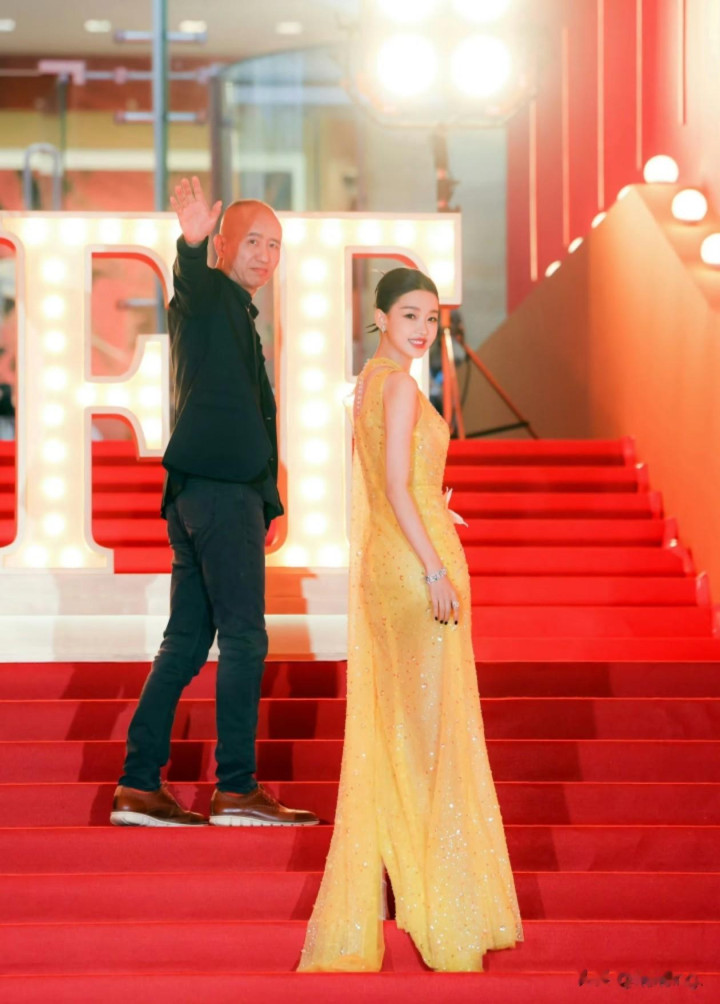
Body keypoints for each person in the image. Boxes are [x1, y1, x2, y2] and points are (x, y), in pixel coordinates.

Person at [298, 267, 522, 971]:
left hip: (390, 562)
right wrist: (432, 566)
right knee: (431, 734)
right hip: (413, 570)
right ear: (380, 316)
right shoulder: (396, 386)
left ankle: (416, 882)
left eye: (432, 318)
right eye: (410, 315)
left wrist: (431, 517)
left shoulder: (369, 382)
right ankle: (443, 902)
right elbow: (396, 485)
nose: (423, 329)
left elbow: (393, 484)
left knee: (401, 727)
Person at [111, 176, 318, 829]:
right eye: (252, 240)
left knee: (184, 643)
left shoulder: (236, 315)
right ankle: (236, 788)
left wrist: (266, 501)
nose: (265, 254)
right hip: (221, 494)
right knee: (245, 638)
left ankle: (138, 786)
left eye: (274, 245)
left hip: (205, 494)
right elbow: (191, 284)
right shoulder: (208, 299)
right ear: (223, 245)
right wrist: (191, 244)